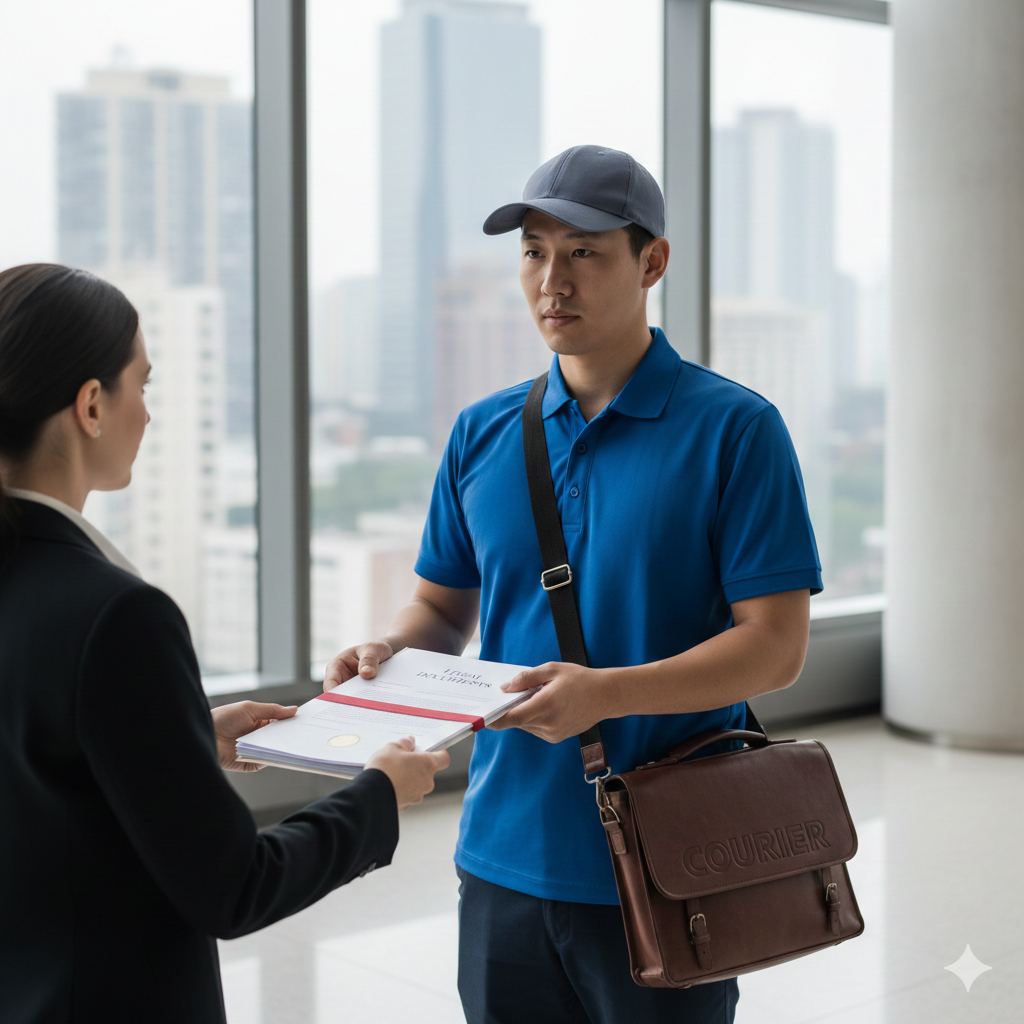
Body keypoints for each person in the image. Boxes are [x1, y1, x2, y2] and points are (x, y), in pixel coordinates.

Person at [325, 145, 822, 1024]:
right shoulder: (481, 433)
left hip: (671, 860)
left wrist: (607, 697)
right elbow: (444, 606)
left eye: (585, 251)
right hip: (499, 856)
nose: (553, 279)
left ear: (652, 262)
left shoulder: (737, 431)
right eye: (533, 251)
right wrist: (390, 650)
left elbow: (777, 649)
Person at [0, 263, 449, 1024]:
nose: (149, 413)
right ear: (90, 405)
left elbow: (32, 764)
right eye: (143, 385)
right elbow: (234, 886)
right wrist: (379, 794)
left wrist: (179, 741)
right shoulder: (117, 614)